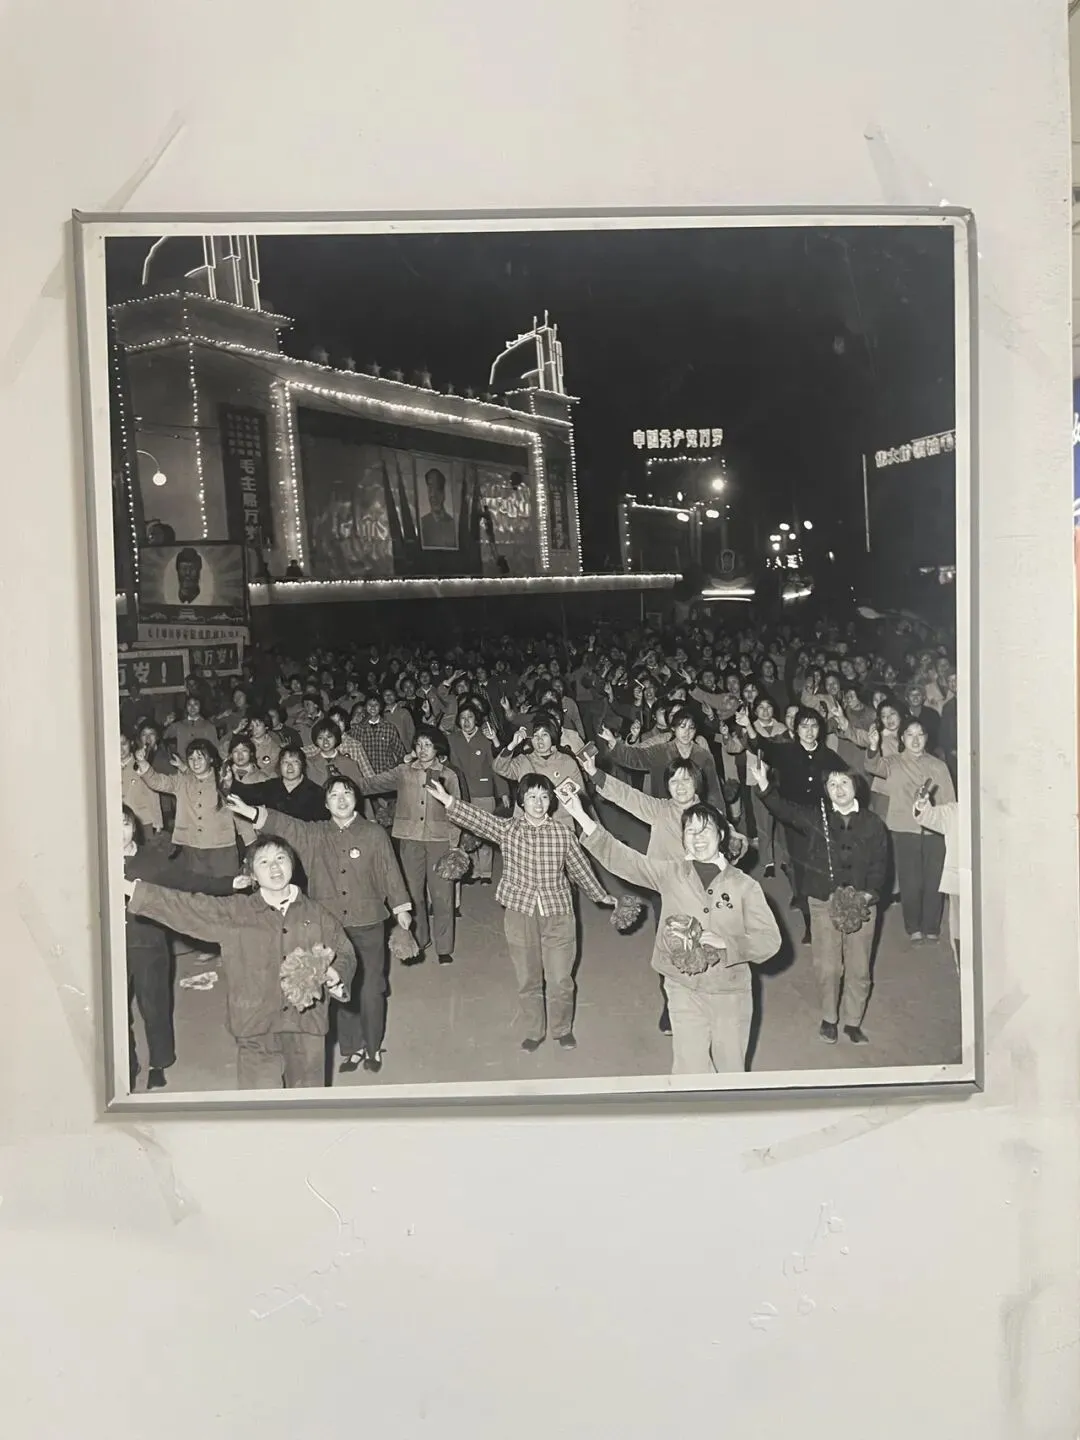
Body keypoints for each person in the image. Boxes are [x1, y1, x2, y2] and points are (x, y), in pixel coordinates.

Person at [563, 793, 781, 1074]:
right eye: (690, 831)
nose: (698, 837)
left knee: (731, 1069)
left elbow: (769, 941)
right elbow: (625, 860)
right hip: (682, 985)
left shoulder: (745, 886)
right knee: (690, 1068)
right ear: (683, 839)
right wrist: (581, 816)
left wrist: (727, 944)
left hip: (729, 990)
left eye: (705, 830)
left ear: (721, 835)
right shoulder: (671, 873)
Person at [124, 834, 357, 1088]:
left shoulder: (317, 914)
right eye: (264, 862)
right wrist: (132, 890)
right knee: (259, 1104)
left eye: (281, 858)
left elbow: (344, 951)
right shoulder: (236, 912)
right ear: (253, 875)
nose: (275, 867)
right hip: (256, 1027)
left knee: (307, 1101)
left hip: (307, 1026)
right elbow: (187, 907)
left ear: (293, 864)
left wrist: (337, 975)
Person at [227, 778, 413, 1075]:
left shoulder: (374, 833)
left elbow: (390, 871)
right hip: (329, 925)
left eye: (347, 793)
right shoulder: (314, 834)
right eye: (334, 795)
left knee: (371, 989)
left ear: (356, 798)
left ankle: (373, 1046)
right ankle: (352, 1048)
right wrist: (251, 812)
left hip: (368, 922)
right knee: (339, 985)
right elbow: (286, 825)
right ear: (326, 804)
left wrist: (401, 909)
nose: (341, 799)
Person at [425, 772, 615, 1050]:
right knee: (528, 979)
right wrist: (448, 800)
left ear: (551, 801)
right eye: (531, 796)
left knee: (560, 979)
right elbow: (479, 819)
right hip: (519, 913)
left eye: (544, 797)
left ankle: (562, 1029)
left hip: (558, 914)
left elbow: (580, 869)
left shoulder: (563, 833)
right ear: (521, 801)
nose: (538, 803)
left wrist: (602, 895)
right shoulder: (509, 830)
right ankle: (534, 1031)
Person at [747, 751, 888, 1044]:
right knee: (829, 966)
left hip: (863, 904)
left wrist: (867, 895)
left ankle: (853, 1021)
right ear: (827, 791)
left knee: (859, 968)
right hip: (824, 900)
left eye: (844, 783)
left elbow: (880, 865)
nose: (839, 789)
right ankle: (829, 1018)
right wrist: (764, 785)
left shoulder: (874, 823)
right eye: (832, 784)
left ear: (856, 786)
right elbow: (784, 810)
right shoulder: (816, 817)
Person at [357, 727, 463, 964]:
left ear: (437, 748)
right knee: (413, 895)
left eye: (428, 745)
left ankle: (444, 947)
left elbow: (456, 811)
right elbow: (373, 784)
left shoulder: (448, 775)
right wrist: (346, 785)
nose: (423, 750)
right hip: (409, 840)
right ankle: (420, 939)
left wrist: (454, 845)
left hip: (439, 841)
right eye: (419, 744)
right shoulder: (403, 771)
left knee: (442, 896)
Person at [865, 717, 956, 943]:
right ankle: (913, 927)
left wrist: (950, 829)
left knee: (934, 880)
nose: (915, 740)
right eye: (910, 735)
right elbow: (872, 766)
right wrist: (873, 747)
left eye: (920, 735)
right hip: (904, 829)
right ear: (902, 738)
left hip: (934, 831)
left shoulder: (938, 765)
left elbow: (949, 802)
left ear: (926, 738)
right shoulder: (892, 763)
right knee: (910, 881)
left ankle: (931, 926)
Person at [133, 737, 246, 881]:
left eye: (200, 757)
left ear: (211, 759)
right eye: (191, 758)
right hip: (191, 847)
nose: (195, 762)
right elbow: (156, 782)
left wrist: (229, 783)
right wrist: (142, 762)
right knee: (197, 889)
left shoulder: (223, 778)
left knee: (226, 888)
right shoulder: (182, 780)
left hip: (221, 848)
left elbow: (235, 800)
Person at [494, 711, 588, 829]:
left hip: (560, 824)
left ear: (552, 736)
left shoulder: (567, 762)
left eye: (544, 735)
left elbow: (581, 794)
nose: (539, 740)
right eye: (535, 735)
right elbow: (499, 767)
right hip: (526, 824)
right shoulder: (523, 760)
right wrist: (512, 745)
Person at [420, 468, 458, 550]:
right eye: (430, 489)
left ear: (443, 493)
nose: (433, 495)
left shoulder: (454, 525)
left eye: (437, 489)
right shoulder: (422, 524)